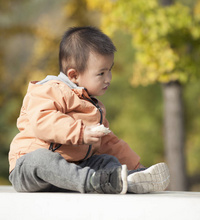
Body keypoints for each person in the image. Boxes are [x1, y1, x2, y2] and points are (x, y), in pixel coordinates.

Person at [8, 26, 170, 194]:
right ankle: (95, 181)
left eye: (110, 70)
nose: (108, 79)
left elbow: (109, 143)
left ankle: (129, 179)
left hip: (71, 171)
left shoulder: (94, 107)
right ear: (73, 75)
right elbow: (43, 121)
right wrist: (81, 133)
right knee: (41, 159)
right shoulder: (49, 90)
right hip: (29, 170)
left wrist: (137, 166)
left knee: (107, 160)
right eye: (101, 73)